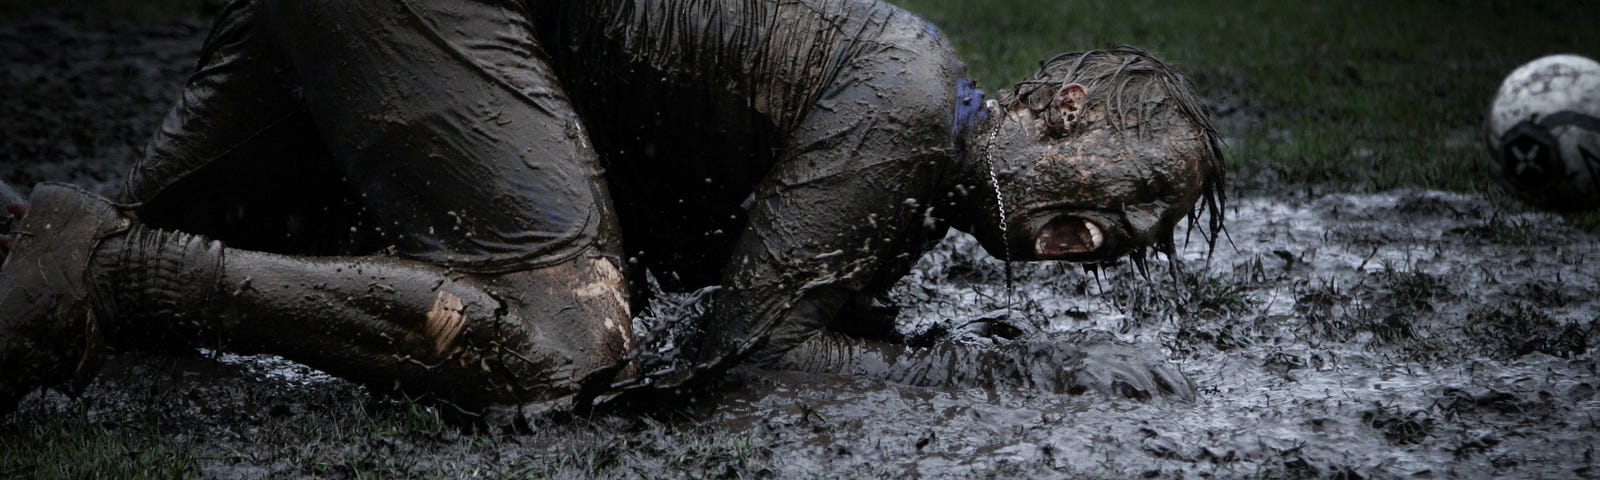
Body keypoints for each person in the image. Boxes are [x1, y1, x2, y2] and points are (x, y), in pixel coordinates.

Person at [0, 0, 1224, 418]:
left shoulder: (912, 169)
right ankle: (122, 271)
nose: (1113, 241)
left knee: (28, 275)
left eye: (1142, 238)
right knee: (567, 343)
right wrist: (1015, 381)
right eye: (1134, 195)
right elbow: (745, 360)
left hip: (432, 32)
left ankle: (90, 261)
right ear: (1065, 108)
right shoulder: (908, 96)